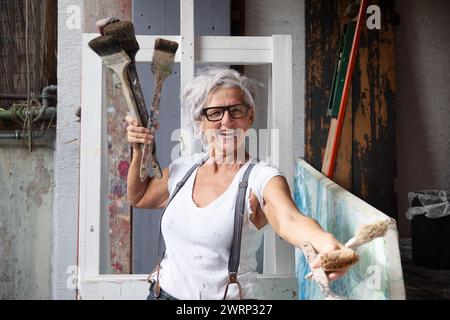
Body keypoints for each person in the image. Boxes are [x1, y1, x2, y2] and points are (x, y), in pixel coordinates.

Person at [126, 66, 350, 300]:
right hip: (162, 294)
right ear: (200, 121)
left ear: (250, 116)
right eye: (214, 113)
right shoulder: (183, 169)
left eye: (236, 111)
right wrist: (138, 151)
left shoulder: (261, 177)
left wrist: (323, 241)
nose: (227, 121)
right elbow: (139, 197)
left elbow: (290, 220)